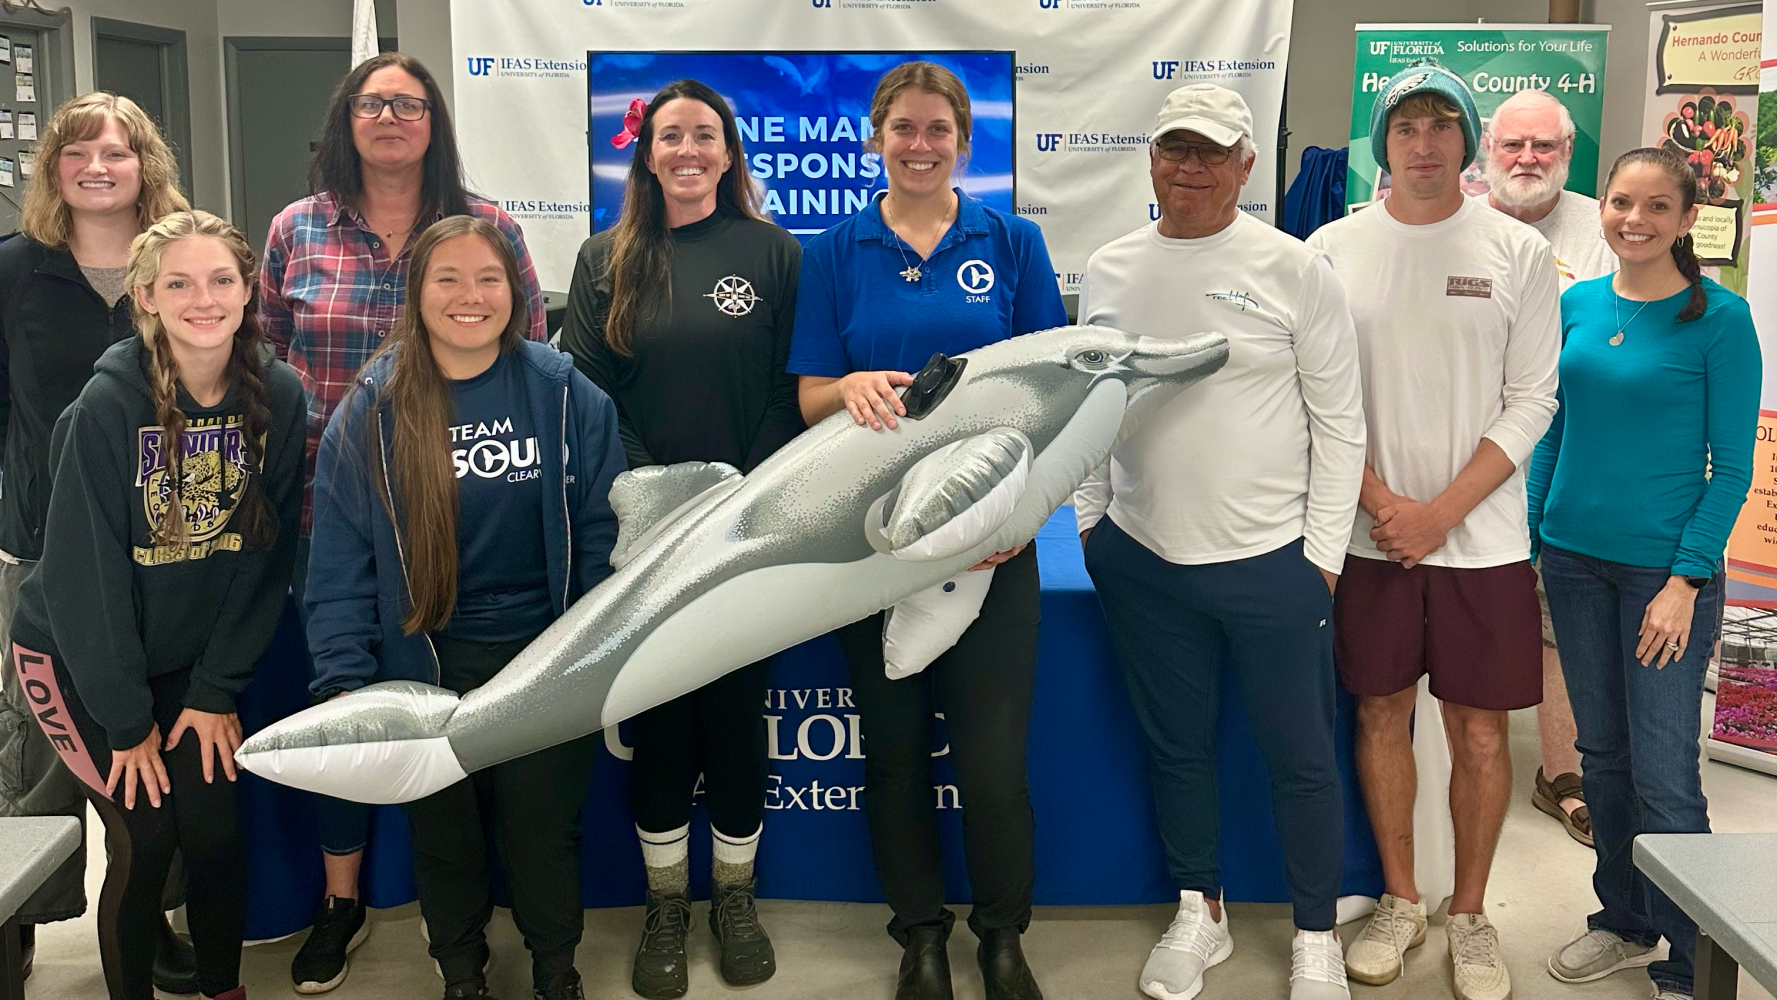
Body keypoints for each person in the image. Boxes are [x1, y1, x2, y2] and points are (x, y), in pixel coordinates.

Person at [258, 51, 548, 995]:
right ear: (345, 117)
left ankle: (482, 925)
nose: (390, 118)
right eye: (372, 102)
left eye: (410, 104)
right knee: (347, 703)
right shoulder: (295, 231)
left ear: (435, 123)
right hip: (327, 517)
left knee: (451, 733)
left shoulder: (487, 229)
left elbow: (532, 363)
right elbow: (260, 368)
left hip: (466, 524)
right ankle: (341, 903)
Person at [1075, 83, 1366, 1000]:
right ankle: (1199, 912)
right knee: (1177, 750)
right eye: (1174, 150)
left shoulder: (1293, 267)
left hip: (1272, 563)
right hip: (1144, 559)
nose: (1189, 168)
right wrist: (1091, 521)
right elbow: (1088, 404)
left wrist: (1320, 558)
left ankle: (1314, 934)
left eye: (1210, 152)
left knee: (1301, 758)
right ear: (1151, 158)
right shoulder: (1112, 266)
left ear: (1246, 164)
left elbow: (1341, 423)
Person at [790, 60, 1066, 1000]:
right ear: (877, 137)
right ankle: (918, 937)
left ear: (963, 141)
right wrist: (846, 389)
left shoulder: (1013, 241)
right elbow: (807, 396)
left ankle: (1000, 936)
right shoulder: (832, 250)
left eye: (936, 131)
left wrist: (1020, 516)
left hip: (992, 543)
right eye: (902, 129)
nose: (918, 145)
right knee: (895, 755)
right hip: (868, 546)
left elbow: (1050, 393)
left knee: (991, 768)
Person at [305, 215, 624, 1000]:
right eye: (447, 278)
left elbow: (603, 532)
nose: (469, 296)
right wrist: (345, 679)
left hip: (547, 658)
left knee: (542, 832)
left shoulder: (563, 392)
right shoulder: (373, 407)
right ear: (416, 294)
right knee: (443, 837)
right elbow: (340, 558)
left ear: (516, 293)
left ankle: (557, 971)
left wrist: (588, 650)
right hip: (425, 661)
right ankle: (460, 974)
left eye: (489, 278)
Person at [1306, 61, 1559, 1000]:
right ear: (1384, 141)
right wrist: (1382, 507)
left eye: (1440, 125)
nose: (1423, 142)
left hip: (1481, 540)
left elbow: (1533, 398)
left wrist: (1440, 512)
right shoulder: (1329, 248)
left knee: (1480, 731)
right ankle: (1402, 899)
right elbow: (1318, 401)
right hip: (1367, 534)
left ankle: (1470, 914)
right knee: (1378, 712)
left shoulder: (1514, 251)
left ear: (1466, 141)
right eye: (1405, 126)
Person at [10, 209, 304, 1000]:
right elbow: (84, 579)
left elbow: (263, 561)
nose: (201, 299)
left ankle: (222, 988)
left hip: (182, 655)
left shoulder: (277, 393)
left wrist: (214, 692)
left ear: (248, 292)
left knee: (211, 828)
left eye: (220, 281)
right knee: (146, 835)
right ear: (145, 297)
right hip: (75, 658)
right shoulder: (105, 408)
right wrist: (126, 720)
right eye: (178, 282)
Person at [559, 78, 802, 1000]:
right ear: (647, 152)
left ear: (730, 152)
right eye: (671, 136)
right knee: (659, 722)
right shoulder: (603, 257)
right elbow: (588, 396)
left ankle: (735, 897)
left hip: (749, 527)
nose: (689, 150)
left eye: (707, 134)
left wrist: (739, 496)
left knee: (738, 720)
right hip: (645, 535)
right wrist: (661, 500)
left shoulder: (774, 253)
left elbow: (793, 386)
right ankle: (667, 904)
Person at [1533, 146, 1759, 1000]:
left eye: (1655, 206)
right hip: (1572, 562)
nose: (1634, 219)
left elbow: (1730, 468)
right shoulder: (1577, 305)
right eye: (1621, 202)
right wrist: (1533, 537)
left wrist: (1683, 580)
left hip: (1663, 578)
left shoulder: (1718, 318)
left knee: (1664, 769)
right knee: (1601, 758)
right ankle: (1621, 921)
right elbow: (1552, 430)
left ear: (1684, 216)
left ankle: (1684, 957)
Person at [0, 90, 200, 993]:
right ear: (54, 171)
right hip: (44, 550)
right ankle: (23, 919)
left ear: (143, 165)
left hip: (161, 549)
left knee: (151, 745)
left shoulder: (182, 264)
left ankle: (150, 911)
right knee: (44, 758)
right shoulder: (14, 271)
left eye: (117, 152)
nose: (97, 166)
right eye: (77, 152)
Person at [1482, 87, 1618, 848]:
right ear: (1487, 153)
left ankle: (1560, 775)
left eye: (1544, 147)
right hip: (1460, 461)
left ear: (1566, 155)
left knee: (1558, 621)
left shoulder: (1605, 228)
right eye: (1513, 145)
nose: (1527, 159)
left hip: (1569, 459)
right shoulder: (1454, 224)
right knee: (1456, 610)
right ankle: (1450, 764)